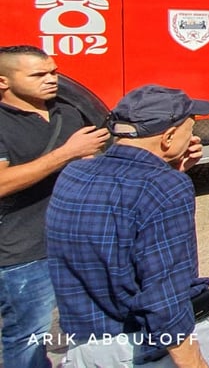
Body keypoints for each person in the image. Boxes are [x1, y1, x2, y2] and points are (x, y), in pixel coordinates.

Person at [45, 85, 209, 367]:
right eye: (189, 130)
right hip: (146, 347)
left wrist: (170, 168)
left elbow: (117, 233)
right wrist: (195, 362)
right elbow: (164, 295)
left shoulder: (74, 172)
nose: (193, 137)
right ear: (168, 136)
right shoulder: (165, 187)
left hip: (87, 346)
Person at [0, 45, 108, 368]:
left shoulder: (67, 111)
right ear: (2, 82)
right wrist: (67, 153)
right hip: (24, 254)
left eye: (54, 72)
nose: (51, 79)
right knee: (27, 339)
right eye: (39, 75)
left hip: (77, 244)